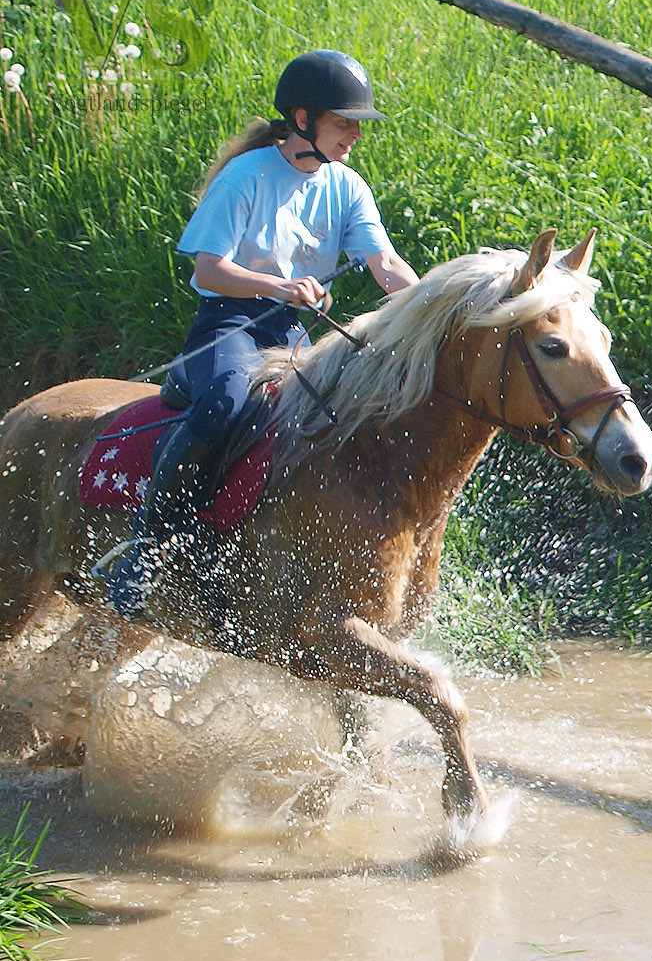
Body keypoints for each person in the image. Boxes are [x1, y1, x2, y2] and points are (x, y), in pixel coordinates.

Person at [101, 49, 419, 619]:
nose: (355, 134)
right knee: (226, 401)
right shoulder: (245, 177)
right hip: (229, 321)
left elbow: (387, 265)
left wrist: (433, 310)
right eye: (344, 122)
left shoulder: (348, 187)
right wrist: (279, 286)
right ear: (302, 119)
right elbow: (208, 270)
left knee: (335, 415)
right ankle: (145, 546)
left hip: (291, 330)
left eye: (357, 124)